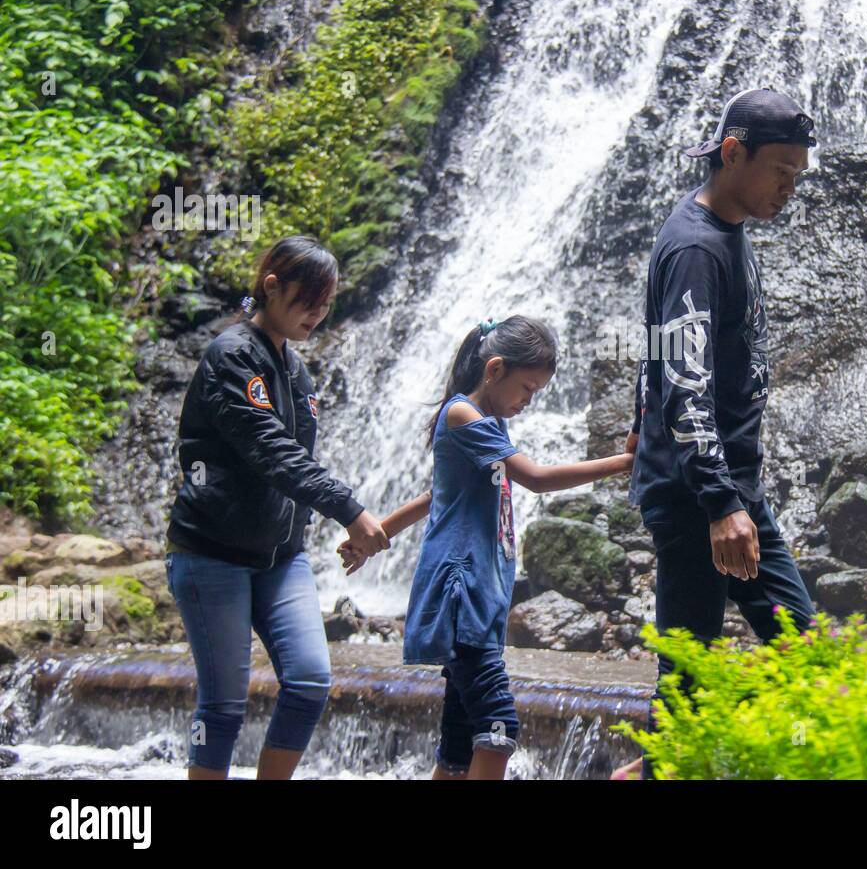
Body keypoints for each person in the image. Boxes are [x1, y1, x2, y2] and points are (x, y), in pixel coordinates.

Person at [613, 88, 819, 780]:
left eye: (797, 175)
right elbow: (683, 384)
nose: (788, 188)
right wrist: (722, 504)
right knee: (695, 683)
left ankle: (653, 771)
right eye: (780, 172)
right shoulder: (696, 249)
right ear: (734, 153)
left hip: (723, 488)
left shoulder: (725, 233)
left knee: (789, 651)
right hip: (701, 498)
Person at [338, 315, 634, 779]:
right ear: (494, 369)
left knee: (458, 744)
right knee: (499, 725)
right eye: (527, 388)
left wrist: (376, 536)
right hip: (461, 592)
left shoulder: (488, 422)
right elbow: (534, 479)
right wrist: (625, 462)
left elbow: (438, 493)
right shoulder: (463, 415)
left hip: (481, 595)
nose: (528, 400)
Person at [164, 235, 390, 779]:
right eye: (309, 300)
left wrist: (332, 522)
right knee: (222, 705)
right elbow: (271, 451)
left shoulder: (296, 371)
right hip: (211, 552)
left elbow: (295, 462)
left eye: (327, 304)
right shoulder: (232, 354)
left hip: (281, 555)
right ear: (272, 286)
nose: (319, 313)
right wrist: (349, 510)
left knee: (310, 681)